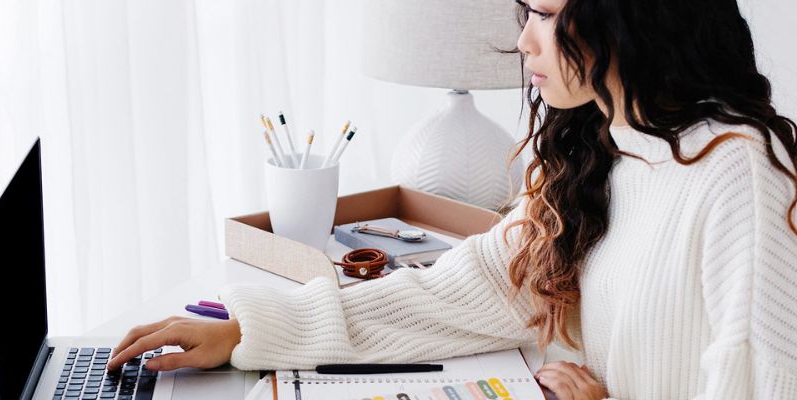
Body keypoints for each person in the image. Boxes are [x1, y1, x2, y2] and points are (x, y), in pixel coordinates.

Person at [108, 0, 797, 398]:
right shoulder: (599, 148)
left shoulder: (741, 177)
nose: (523, 37)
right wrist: (246, 329)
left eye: (547, 13)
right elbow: (458, 293)